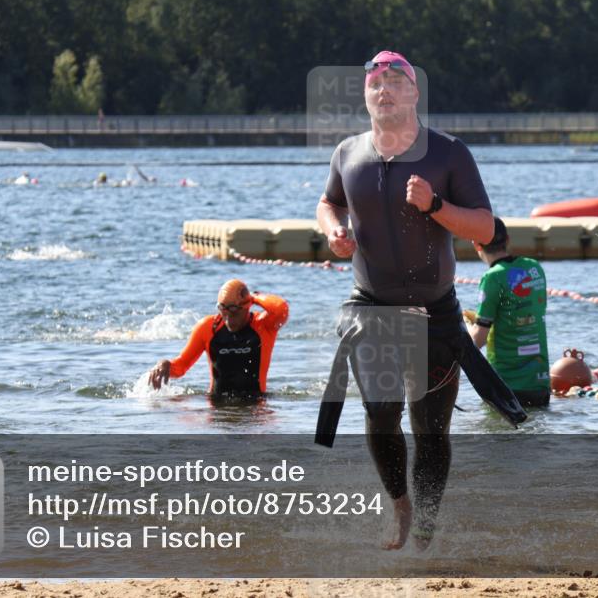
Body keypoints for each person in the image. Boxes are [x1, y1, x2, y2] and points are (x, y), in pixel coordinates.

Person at [315, 50, 525, 551]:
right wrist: (333, 231)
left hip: (435, 313)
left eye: (394, 80)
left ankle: (427, 517)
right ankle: (400, 505)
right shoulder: (347, 154)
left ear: (414, 93)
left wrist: (434, 204)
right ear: (366, 95)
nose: (383, 89)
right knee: (381, 411)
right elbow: (328, 202)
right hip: (372, 307)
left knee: (430, 427)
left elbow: (486, 227)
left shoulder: (449, 153)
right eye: (374, 83)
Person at [147, 280, 289, 400]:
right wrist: (164, 365)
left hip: (256, 406)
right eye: (223, 309)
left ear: (247, 306)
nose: (228, 318)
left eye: (233, 310)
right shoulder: (208, 328)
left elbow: (280, 308)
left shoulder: (263, 326)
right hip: (216, 406)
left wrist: (254, 297)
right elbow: (181, 366)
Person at [467, 217, 551, 407]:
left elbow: (478, 339)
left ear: (477, 245)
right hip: (540, 384)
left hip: (507, 387)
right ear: (508, 239)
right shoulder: (534, 268)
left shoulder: (493, 277)